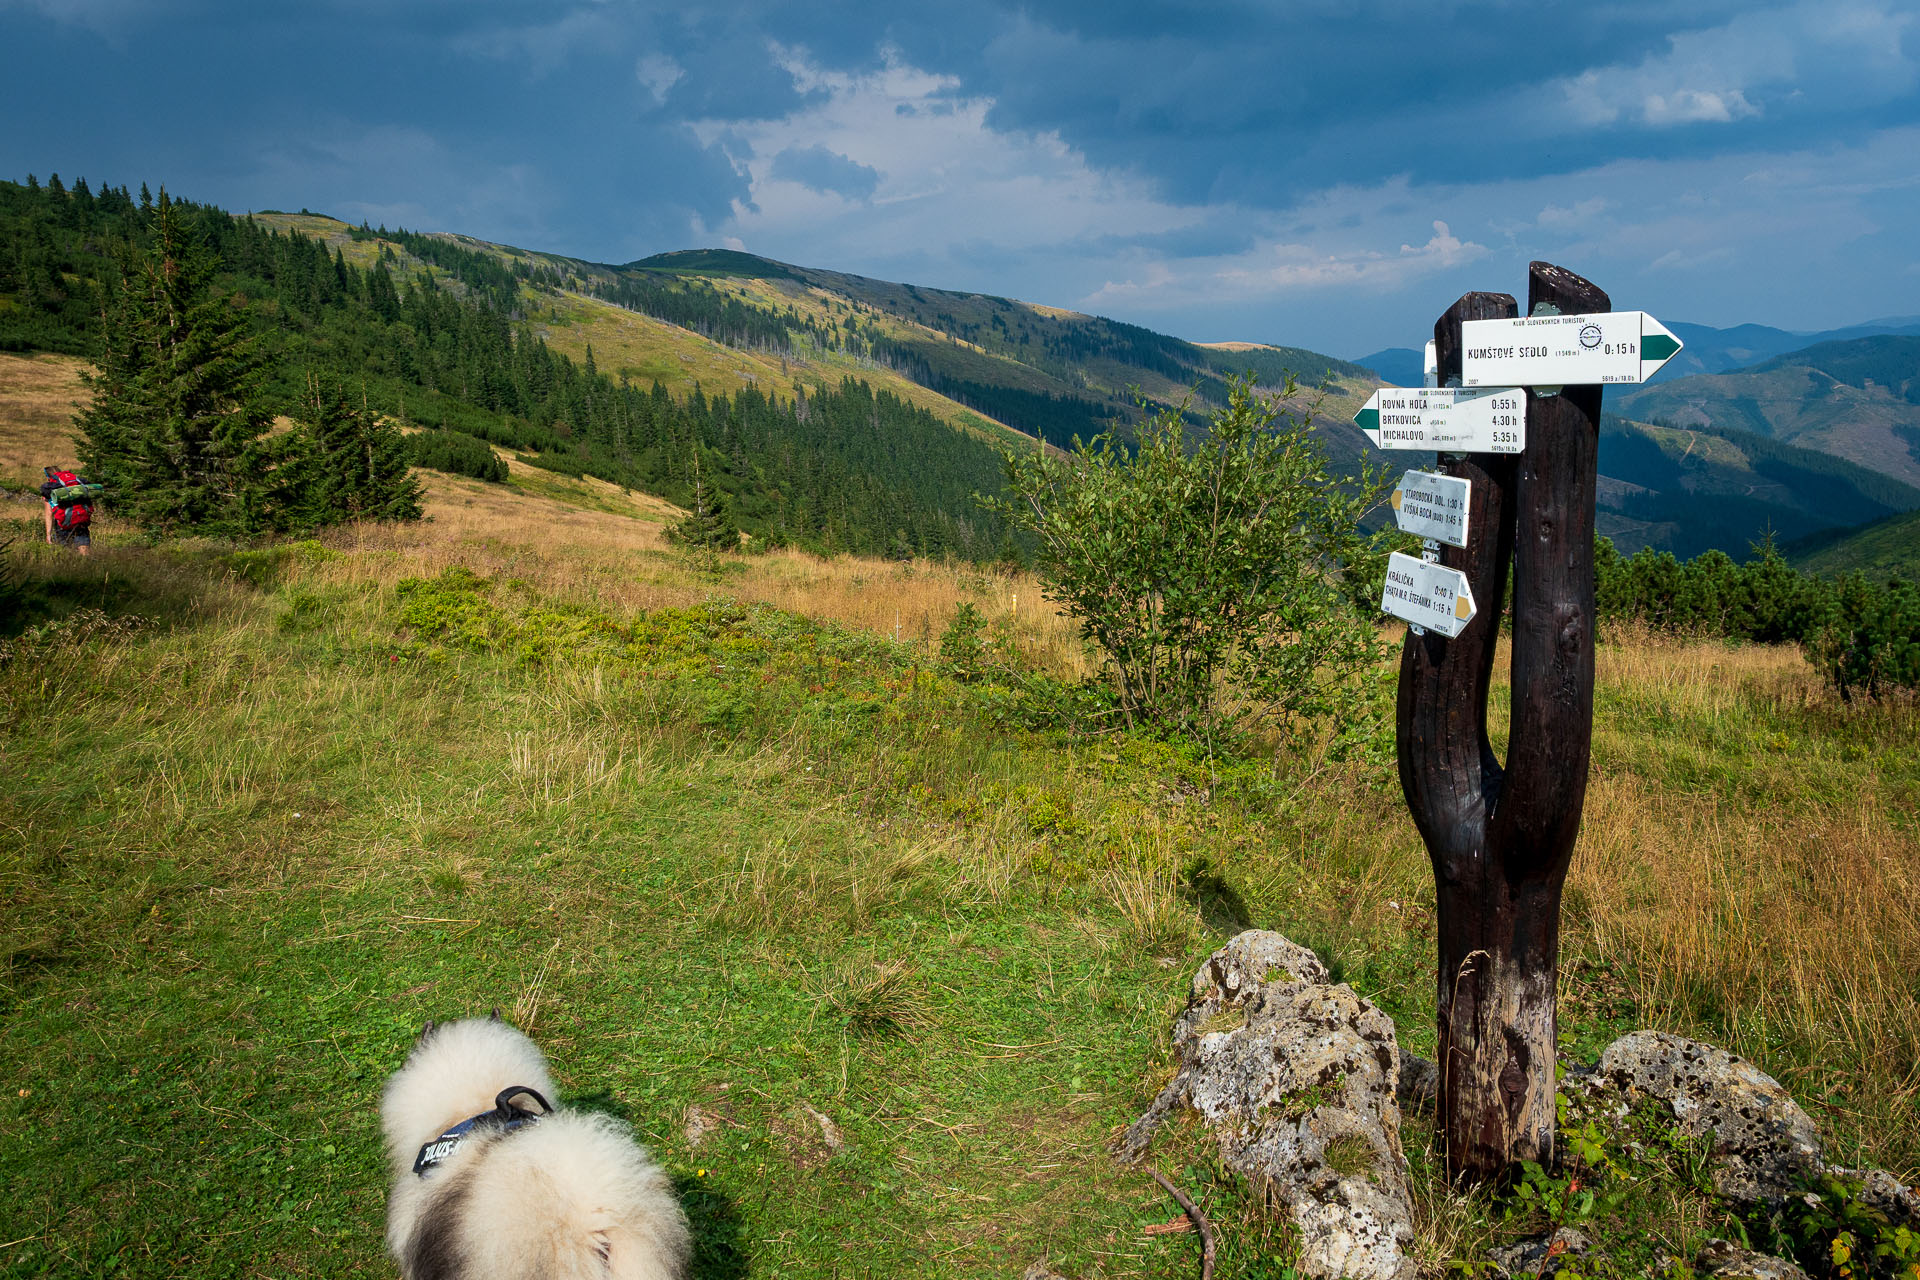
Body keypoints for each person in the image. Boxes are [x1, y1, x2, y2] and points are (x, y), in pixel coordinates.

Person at [40, 465, 95, 556]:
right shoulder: (75, 485)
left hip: (63, 524)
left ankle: (70, 568)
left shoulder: (50, 490)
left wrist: (48, 535)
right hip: (81, 521)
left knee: (66, 553)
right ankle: (88, 566)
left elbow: (49, 514)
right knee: (85, 551)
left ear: (48, 477)